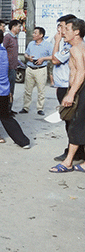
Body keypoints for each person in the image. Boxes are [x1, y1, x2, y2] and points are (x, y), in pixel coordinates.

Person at [49, 18, 85, 173]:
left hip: (81, 90)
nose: (63, 32)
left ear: (76, 32)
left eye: (67, 29)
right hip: (80, 89)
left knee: (76, 126)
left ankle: (68, 162)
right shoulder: (80, 47)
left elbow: (81, 72)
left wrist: (71, 94)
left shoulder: (76, 49)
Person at [21, 26, 52, 115]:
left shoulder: (48, 45)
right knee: (27, 90)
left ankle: (40, 108)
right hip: (30, 69)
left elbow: (53, 56)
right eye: (33, 32)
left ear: (41, 35)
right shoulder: (31, 44)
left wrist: (43, 59)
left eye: (35, 33)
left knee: (41, 90)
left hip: (41, 70)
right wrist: (28, 57)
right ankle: (25, 107)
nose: (33, 34)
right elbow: (26, 53)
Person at [3, 19, 22, 113]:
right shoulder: (7, 37)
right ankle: (5, 110)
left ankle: (9, 109)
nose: (20, 28)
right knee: (7, 90)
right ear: (13, 27)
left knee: (12, 89)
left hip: (13, 67)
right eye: (19, 26)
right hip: (8, 68)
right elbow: (2, 50)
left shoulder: (15, 38)